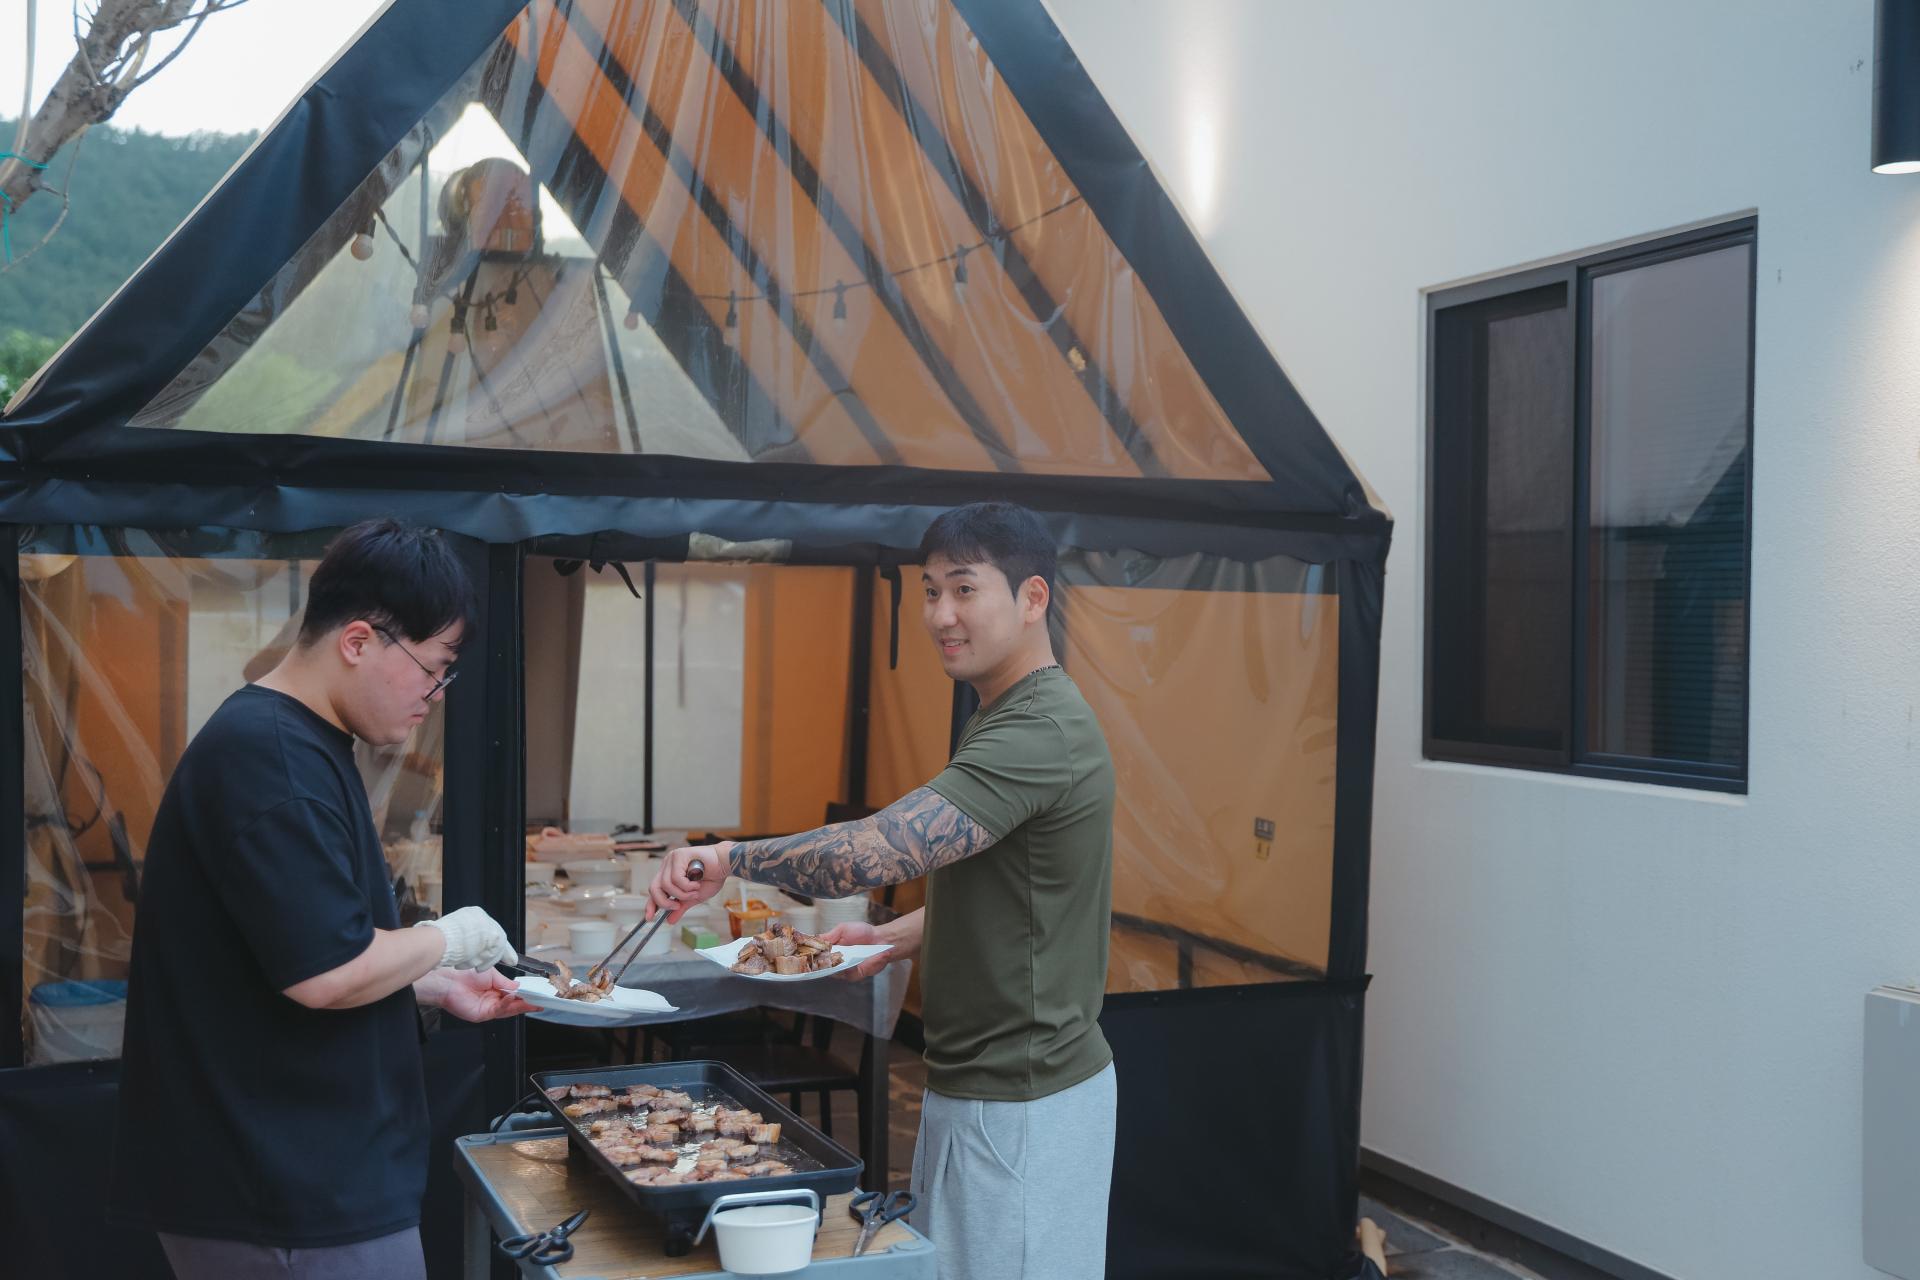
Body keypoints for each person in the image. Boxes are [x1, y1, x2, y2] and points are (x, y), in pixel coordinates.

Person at [648, 501, 1117, 1280]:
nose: (940, 615)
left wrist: (730, 855)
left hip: (1024, 1099)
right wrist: (894, 937)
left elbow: (873, 853)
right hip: (985, 1086)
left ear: (1033, 598)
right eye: (930, 591)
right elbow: (1023, 891)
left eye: (964, 589)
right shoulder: (1004, 714)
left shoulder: (1039, 731)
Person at [110, 520, 532, 1280]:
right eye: (434, 668)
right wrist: (451, 937)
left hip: (301, 1171)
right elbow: (327, 973)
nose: (435, 697)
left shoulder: (298, 743)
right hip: (280, 1190)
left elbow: (286, 951)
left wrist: (428, 983)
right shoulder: (271, 761)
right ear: (359, 641)